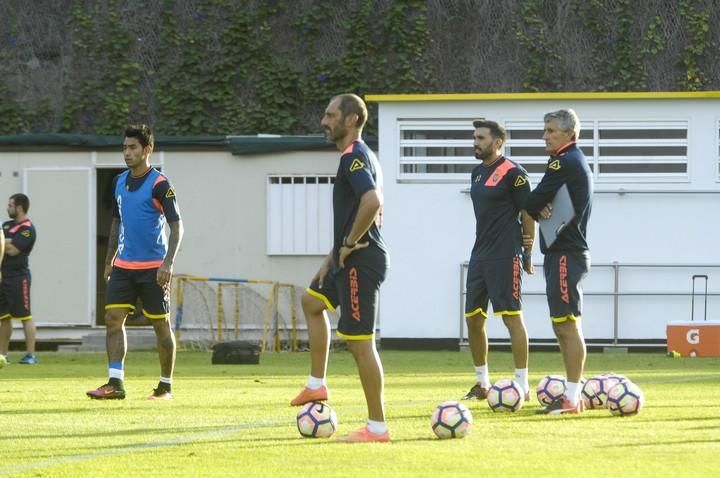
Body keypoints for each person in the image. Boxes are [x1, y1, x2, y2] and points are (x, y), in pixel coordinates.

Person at [290, 94, 390, 443]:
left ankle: (377, 428)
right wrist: (333, 255)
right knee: (311, 301)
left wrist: (347, 245)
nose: (323, 121)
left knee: (361, 344)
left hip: (361, 261)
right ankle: (316, 385)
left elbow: (372, 201)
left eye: (330, 115)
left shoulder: (356, 157)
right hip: (347, 258)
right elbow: (361, 208)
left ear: (350, 120)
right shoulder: (355, 157)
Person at [87, 124, 183, 401]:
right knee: (113, 319)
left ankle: (165, 387)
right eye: (124, 147)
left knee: (160, 325)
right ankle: (115, 383)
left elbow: (177, 227)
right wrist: (109, 261)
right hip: (123, 267)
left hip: (154, 269)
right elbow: (117, 221)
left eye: (133, 148)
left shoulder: (160, 184)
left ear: (147, 150)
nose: (127, 153)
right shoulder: (118, 181)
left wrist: (168, 264)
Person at [524, 109, 593, 415]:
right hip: (561, 253)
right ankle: (571, 394)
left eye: (551, 130)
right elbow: (538, 205)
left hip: (566, 254)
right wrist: (540, 209)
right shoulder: (571, 161)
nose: (545, 136)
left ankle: (573, 399)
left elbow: (530, 201)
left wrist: (538, 208)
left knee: (567, 325)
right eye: (545, 130)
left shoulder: (561, 161)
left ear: (569, 134)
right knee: (562, 324)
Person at [461, 120, 535, 402]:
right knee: (473, 320)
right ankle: (482, 384)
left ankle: (523, 385)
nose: (475, 142)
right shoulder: (477, 173)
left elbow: (528, 213)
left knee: (511, 318)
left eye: (481, 138)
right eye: (474, 138)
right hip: (479, 254)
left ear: (498, 142)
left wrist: (528, 252)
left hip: (506, 255)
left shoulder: (514, 173)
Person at [0, 194, 37, 365]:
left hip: (19, 278)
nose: (7, 208)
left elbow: (13, 250)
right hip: (3, 277)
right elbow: (5, 245)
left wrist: (4, 242)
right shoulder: (6, 225)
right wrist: (5, 243)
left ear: (19, 208)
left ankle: (31, 355)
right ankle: (3, 355)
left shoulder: (27, 229)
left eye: (10, 205)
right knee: (4, 317)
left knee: (25, 315)